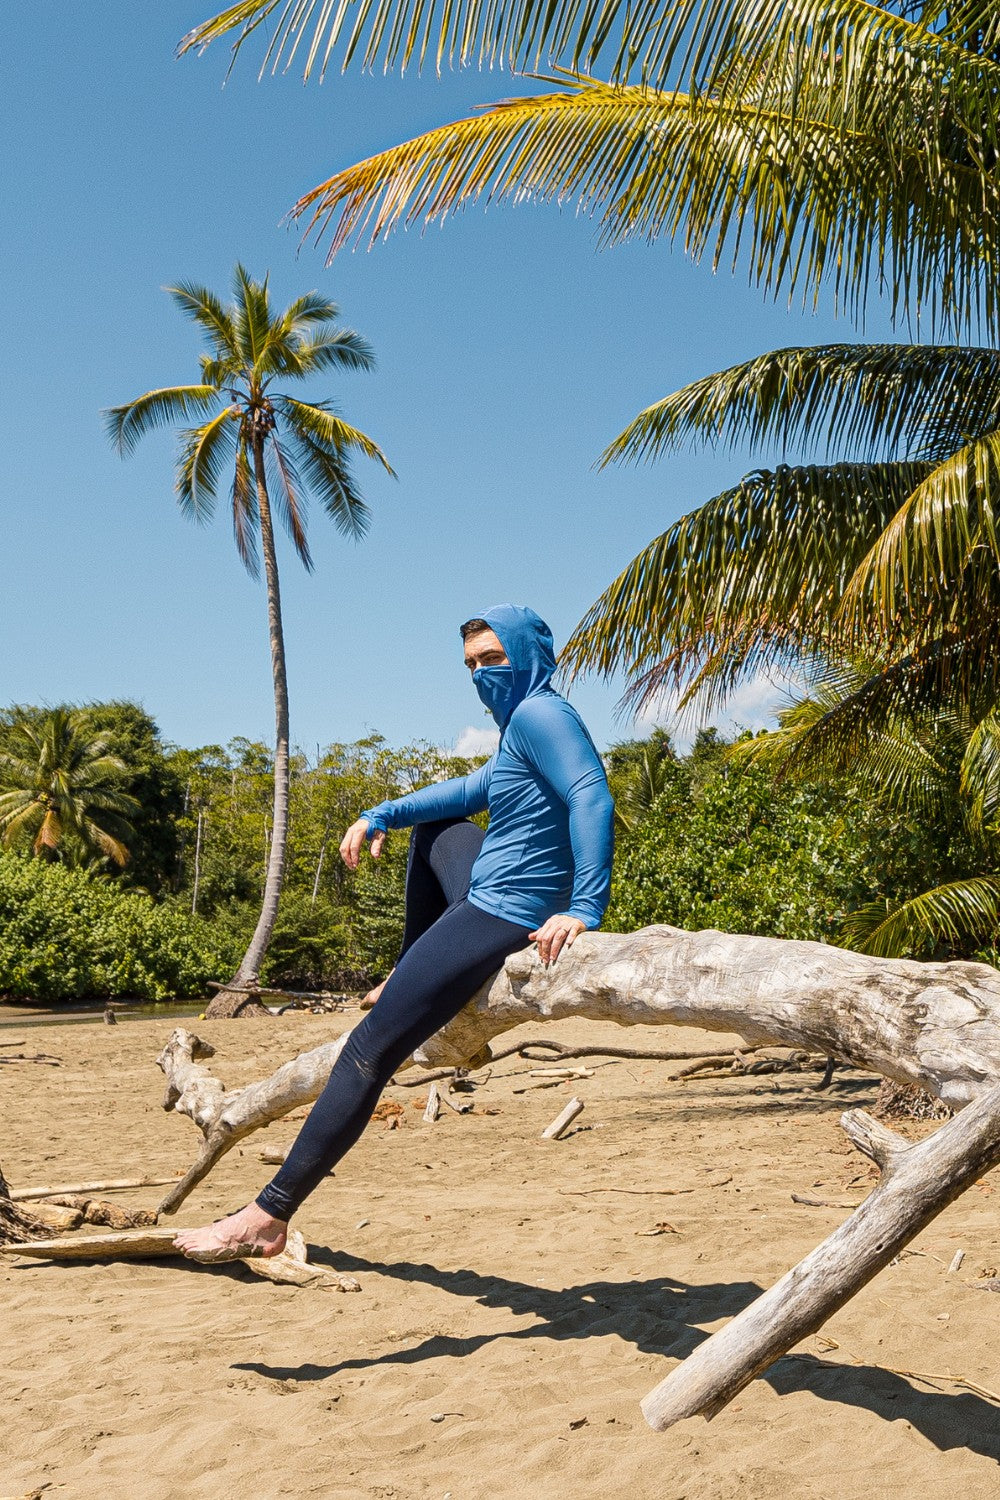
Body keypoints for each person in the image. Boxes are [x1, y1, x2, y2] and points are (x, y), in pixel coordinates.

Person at [173, 605, 615, 1262]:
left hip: (506, 913)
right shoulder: (521, 731)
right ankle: (408, 968)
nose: (481, 675)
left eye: (493, 659)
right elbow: (464, 791)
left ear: (529, 656)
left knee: (365, 1054)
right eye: (471, 665)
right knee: (437, 827)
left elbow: (591, 795)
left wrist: (583, 906)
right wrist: (379, 811)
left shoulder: (540, 715)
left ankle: (268, 1215)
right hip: (493, 896)